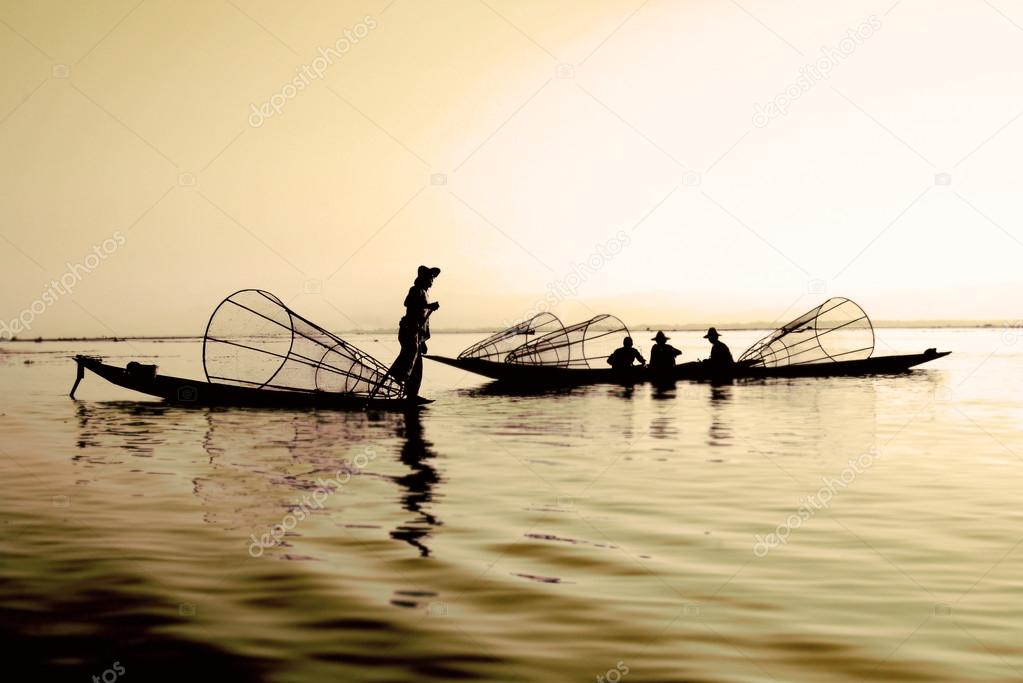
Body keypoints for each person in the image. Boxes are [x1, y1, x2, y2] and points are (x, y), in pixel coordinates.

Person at [388, 265, 440, 399]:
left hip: (417, 334)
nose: (432, 281)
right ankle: (399, 377)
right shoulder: (416, 290)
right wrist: (428, 306)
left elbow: (424, 321)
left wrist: (422, 341)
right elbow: (408, 303)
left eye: (433, 278)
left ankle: (411, 394)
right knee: (410, 353)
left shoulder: (426, 293)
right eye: (430, 278)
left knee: (417, 367)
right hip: (408, 330)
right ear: (423, 279)